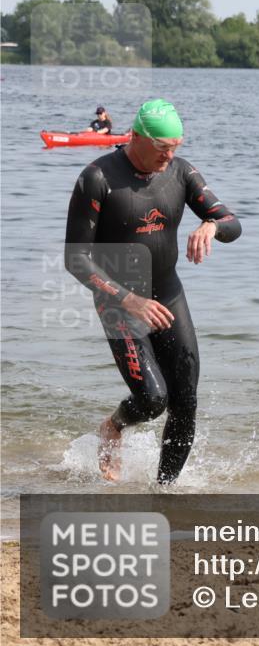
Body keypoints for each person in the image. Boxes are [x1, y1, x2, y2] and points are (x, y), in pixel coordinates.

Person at [64, 99, 242, 483]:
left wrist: (211, 226)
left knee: (185, 401)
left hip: (168, 294)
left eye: (175, 146)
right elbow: (75, 258)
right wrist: (128, 299)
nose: (170, 155)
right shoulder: (97, 178)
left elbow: (231, 220)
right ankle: (113, 426)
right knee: (152, 400)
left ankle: (165, 494)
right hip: (119, 301)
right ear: (138, 137)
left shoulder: (181, 172)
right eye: (163, 147)